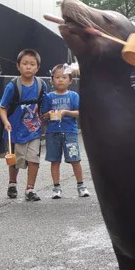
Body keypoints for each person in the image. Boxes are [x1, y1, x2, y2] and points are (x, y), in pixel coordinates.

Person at [0, 49, 45, 201]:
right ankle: (12, 184)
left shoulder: (41, 85)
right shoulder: (12, 86)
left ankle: (30, 189)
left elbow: (45, 105)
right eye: (25, 63)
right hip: (15, 130)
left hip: (34, 130)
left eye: (32, 64)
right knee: (15, 160)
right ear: (18, 66)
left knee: (34, 159)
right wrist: (5, 122)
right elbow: (2, 107)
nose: (28, 67)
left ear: (38, 67)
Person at [41, 64, 90, 199]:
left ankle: (81, 186)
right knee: (54, 161)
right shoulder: (49, 97)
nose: (60, 80)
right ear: (52, 80)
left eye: (64, 77)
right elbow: (43, 115)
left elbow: (80, 113)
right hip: (53, 133)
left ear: (70, 80)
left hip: (70, 132)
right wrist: (48, 114)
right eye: (57, 77)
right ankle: (56, 188)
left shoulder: (74, 95)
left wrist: (66, 112)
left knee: (75, 159)